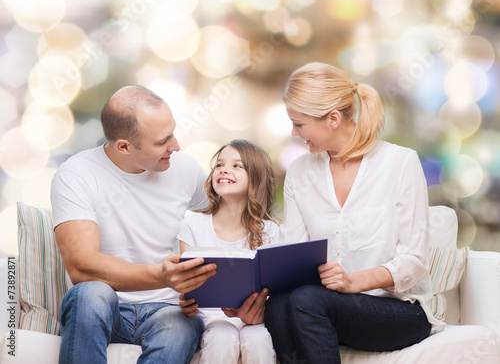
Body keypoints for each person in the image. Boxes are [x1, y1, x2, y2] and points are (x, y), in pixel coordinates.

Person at [264, 62, 445, 364]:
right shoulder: (299, 172)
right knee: (278, 304)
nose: (294, 133)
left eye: (299, 124)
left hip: (399, 311)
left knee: (307, 301)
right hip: (327, 308)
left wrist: (353, 282)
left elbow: (414, 261)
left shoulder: (399, 162)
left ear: (333, 118)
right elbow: (293, 254)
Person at [51, 85, 217, 364]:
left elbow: (228, 220)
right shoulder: (76, 175)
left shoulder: (185, 168)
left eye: (173, 133)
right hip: (108, 308)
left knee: (182, 324)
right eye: (162, 141)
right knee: (90, 294)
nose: (175, 146)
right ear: (124, 146)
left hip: (170, 310)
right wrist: (161, 276)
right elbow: (81, 265)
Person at [177, 139, 279, 364]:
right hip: (211, 320)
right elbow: (188, 284)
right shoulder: (192, 225)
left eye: (237, 166)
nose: (224, 169)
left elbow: (273, 291)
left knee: (259, 339)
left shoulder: (270, 231)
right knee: (222, 337)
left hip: (254, 320)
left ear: (256, 177)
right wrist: (184, 300)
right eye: (219, 165)